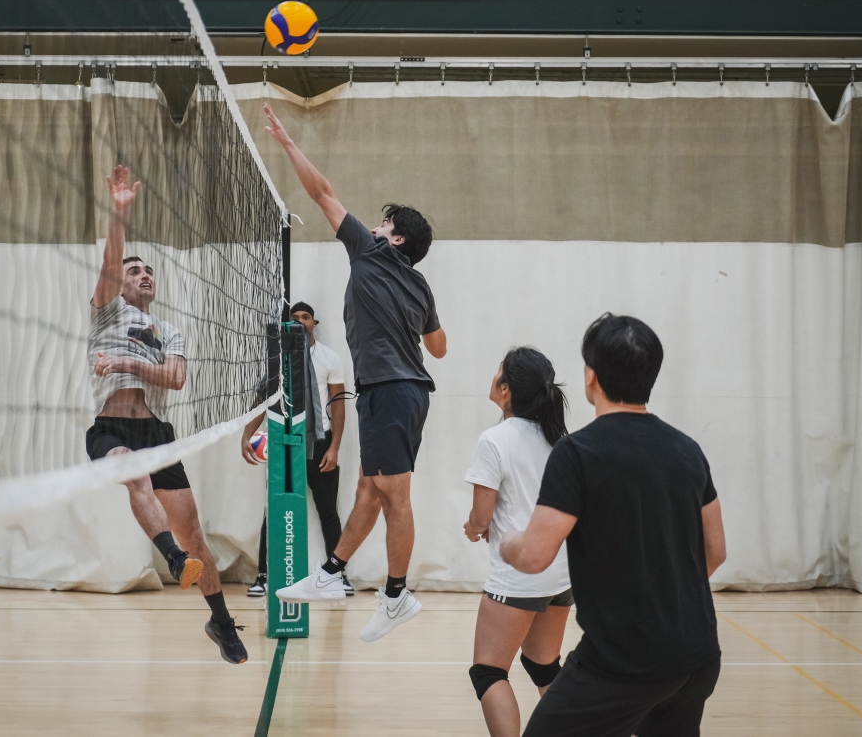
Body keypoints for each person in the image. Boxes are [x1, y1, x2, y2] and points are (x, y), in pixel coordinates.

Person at [263, 103, 447, 642]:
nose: (373, 225)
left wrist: (288, 143)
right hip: (398, 392)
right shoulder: (419, 285)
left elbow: (323, 193)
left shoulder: (369, 251)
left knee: (393, 494)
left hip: (391, 391)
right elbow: (439, 348)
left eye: (383, 224)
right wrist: (407, 324)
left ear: (395, 239)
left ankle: (396, 595)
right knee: (369, 487)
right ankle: (332, 572)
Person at [502, 313, 727, 737]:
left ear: (591, 376)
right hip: (697, 655)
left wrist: (507, 542)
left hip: (624, 662)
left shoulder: (577, 453)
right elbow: (715, 551)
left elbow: (532, 556)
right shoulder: (688, 450)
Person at [86, 165, 248, 665]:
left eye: (149, 271)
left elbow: (175, 378)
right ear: (120, 283)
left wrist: (127, 363)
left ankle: (220, 622)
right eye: (135, 270)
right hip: (112, 429)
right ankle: (173, 560)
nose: (143, 275)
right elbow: (110, 262)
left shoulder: (170, 331)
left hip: (157, 432)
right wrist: (119, 213)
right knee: (134, 475)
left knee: (195, 533)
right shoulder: (107, 311)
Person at [463, 347, 572, 737]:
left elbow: (481, 517)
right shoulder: (559, 439)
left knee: (488, 671)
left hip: (519, 574)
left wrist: (473, 527)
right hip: (559, 573)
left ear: (506, 389)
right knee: (544, 667)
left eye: (498, 372)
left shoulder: (494, 440)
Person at [241, 301, 353, 597]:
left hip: (320, 442)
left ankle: (337, 575)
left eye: (306, 317)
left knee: (328, 511)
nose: (301, 321)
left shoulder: (329, 358)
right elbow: (262, 400)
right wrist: (246, 435)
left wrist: (335, 448)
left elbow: (338, 405)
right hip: (285, 441)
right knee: (274, 508)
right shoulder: (279, 359)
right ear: (288, 325)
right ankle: (264, 575)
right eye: (295, 318)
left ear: (314, 323)